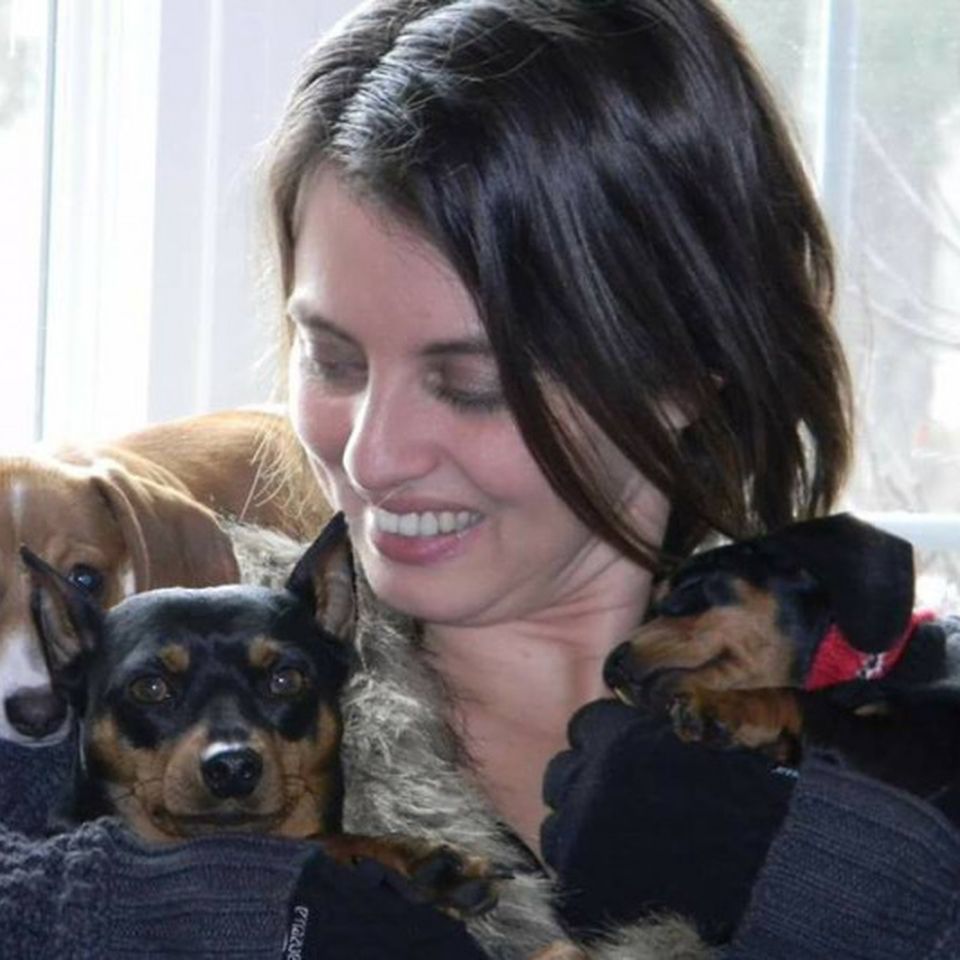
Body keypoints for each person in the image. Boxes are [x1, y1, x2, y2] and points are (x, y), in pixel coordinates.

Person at [2, 1, 959, 957]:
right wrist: (208, 905)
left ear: (681, 372)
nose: (373, 457)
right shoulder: (95, 697)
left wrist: (836, 880)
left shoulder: (914, 723)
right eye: (333, 360)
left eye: (472, 384)